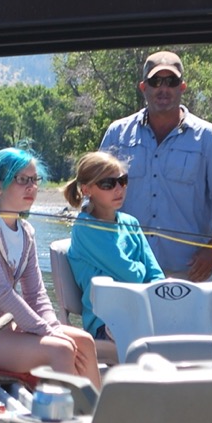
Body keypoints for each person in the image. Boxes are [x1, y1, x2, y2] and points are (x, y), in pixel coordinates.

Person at [0, 147, 101, 387]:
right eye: (22, 180)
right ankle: (66, 419)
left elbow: (36, 294)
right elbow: (1, 292)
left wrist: (53, 327)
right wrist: (46, 332)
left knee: (84, 341)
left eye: (34, 180)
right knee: (61, 350)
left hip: (0, 329)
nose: (31, 187)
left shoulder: (27, 233)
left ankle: (95, 416)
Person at [99, 50, 212, 282]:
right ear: (143, 87)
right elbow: (96, 195)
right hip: (127, 268)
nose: (164, 88)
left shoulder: (209, 138)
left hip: (189, 273)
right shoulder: (117, 134)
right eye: (155, 81)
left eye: (171, 81)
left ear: (182, 87)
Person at [63, 151, 165, 363]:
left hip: (141, 316)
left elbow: (156, 276)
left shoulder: (131, 223)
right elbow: (133, 275)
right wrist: (141, 269)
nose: (119, 189)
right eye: (108, 184)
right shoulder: (85, 229)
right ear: (86, 189)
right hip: (104, 323)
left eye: (122, 181)